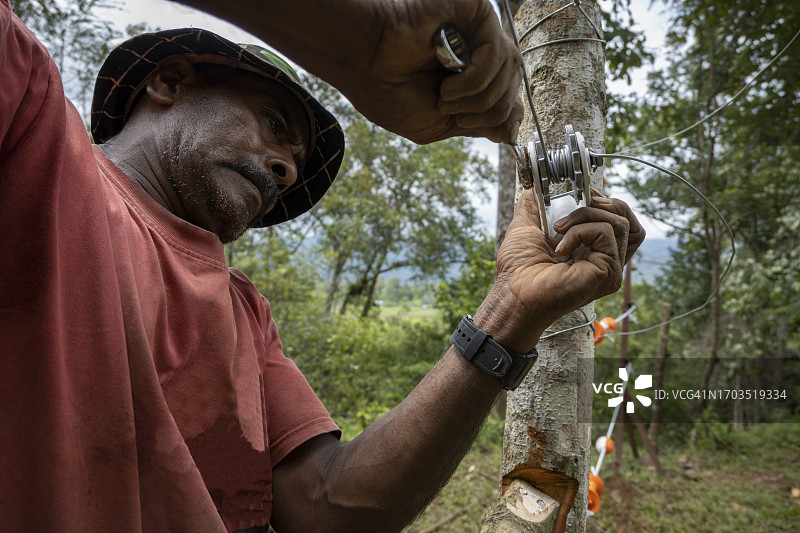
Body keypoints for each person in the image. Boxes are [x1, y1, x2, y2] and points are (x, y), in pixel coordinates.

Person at [0, 0, 645, 532]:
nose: (284, 167)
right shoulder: (35, 151)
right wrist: (363, 37)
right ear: (168, 81)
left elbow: (330, 505)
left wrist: (512, 311)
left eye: (294, 163)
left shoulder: (243, 310)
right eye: (274, 122)